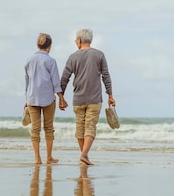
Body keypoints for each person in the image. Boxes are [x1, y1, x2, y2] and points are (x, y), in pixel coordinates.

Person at [60, 29, 115, 165]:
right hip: (95, 99)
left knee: (80, 127)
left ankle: (84, 156)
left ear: (79, 40)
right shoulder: (99, 55)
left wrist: (61, 98)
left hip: (78, 99)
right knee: (90, 126)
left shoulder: (73, 57)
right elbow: (106, 76)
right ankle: (84, 155)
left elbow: (64, 79)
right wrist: (110, 95)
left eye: (75, 40)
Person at [25, 33, 67, 164]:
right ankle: (49, 157)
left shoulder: (29, 60)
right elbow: (55, 82)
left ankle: (37, 158)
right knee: (48, 128)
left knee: (35, 129)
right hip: (48, 98)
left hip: (32, 98)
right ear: (49, 47)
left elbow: (27, 81)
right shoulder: (51, 61)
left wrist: (26, 98)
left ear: (38, 45)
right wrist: (61, 98)